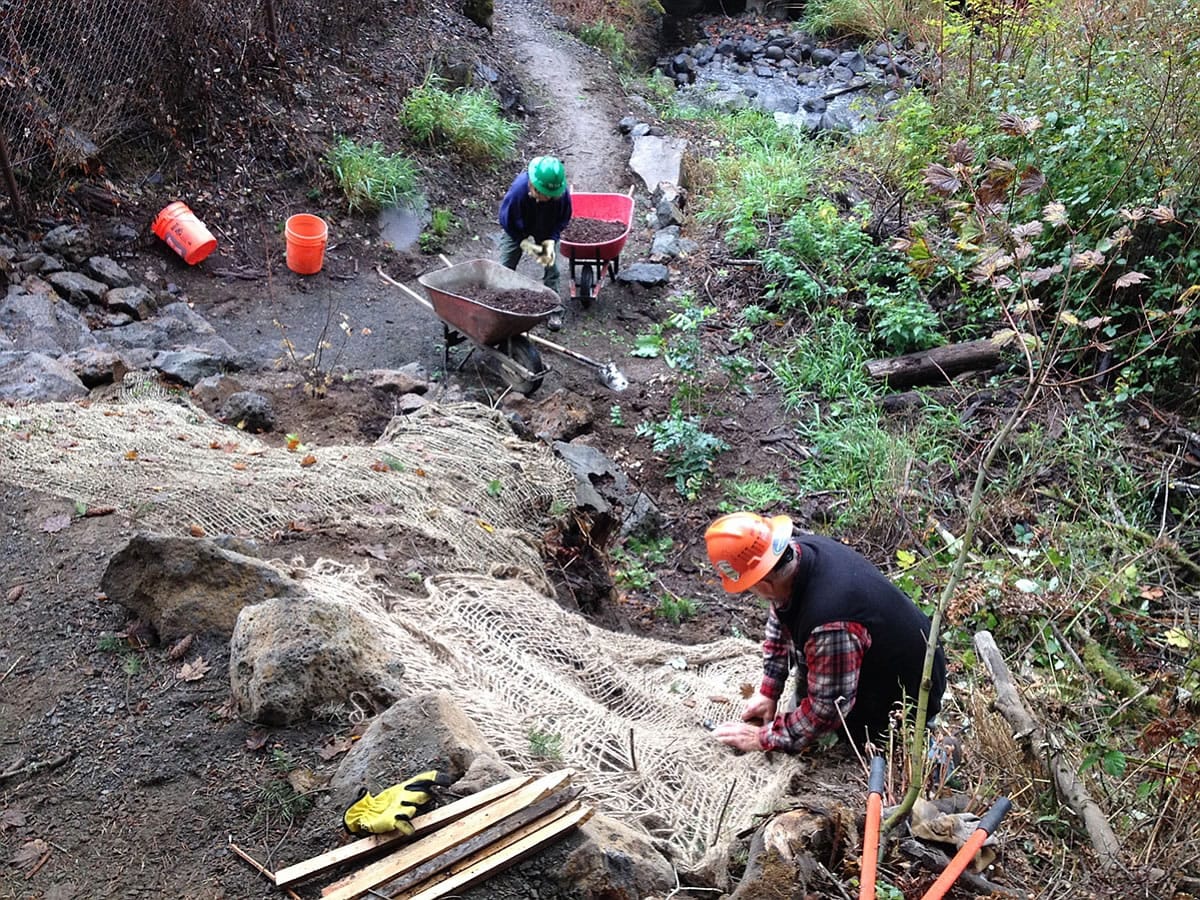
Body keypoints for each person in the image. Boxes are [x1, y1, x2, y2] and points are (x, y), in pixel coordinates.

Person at [704, 512, 946, 754]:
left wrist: (763, 738)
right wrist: (769, 691)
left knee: (841, 733)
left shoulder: (830, 623)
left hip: (908, 699)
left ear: (764, 583)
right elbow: (781, 613)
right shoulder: (796, 556)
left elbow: (827, 710)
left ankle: (920, 745)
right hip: (875, 654)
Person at [498, 156, 572, 329]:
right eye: (540, 194)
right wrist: (523, 243)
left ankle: (555, 309)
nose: (542, 199)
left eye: (548, 196)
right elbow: (507, 221)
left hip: (546, 227)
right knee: (505, 266)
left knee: (552, 267)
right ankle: (499, 306)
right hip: (518, 227)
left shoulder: (561, 195)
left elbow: (563, 219)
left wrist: (551, 241)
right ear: (532, 184)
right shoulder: (518, 192)